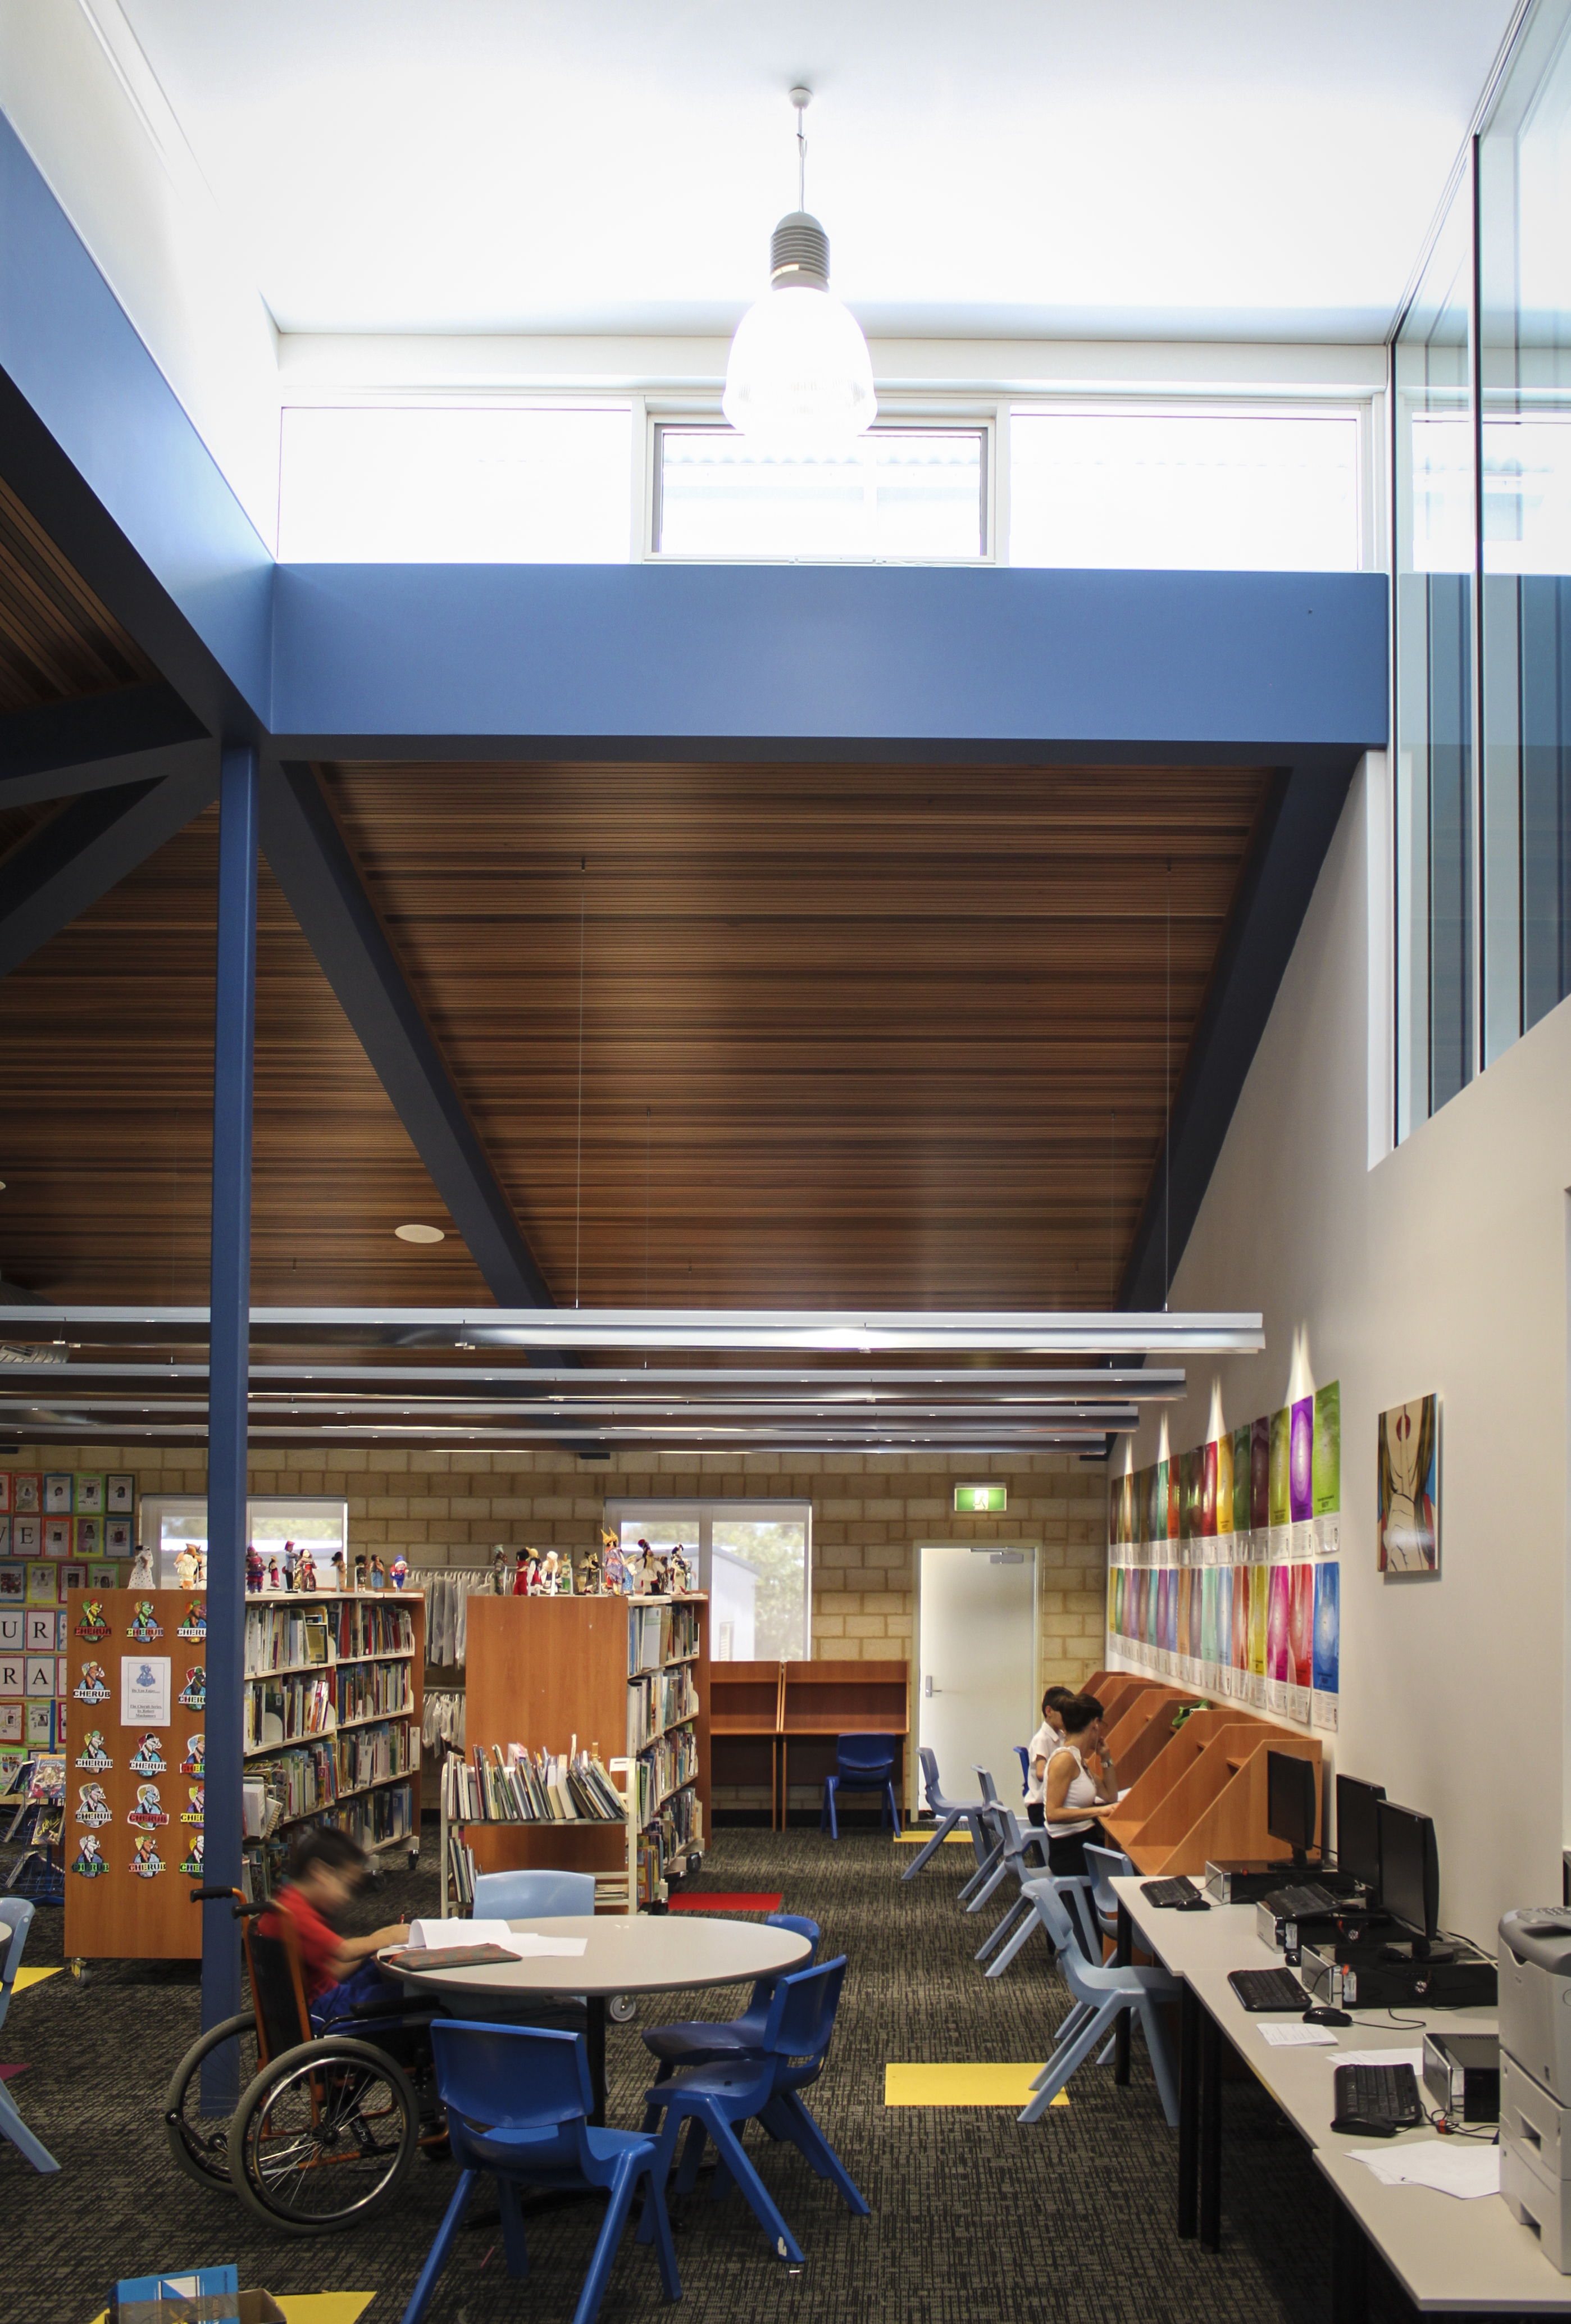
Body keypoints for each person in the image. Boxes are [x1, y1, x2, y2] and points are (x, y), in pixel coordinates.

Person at [257, 1826, 410, 2033]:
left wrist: (370, 1953)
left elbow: (332, 1968)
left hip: (321, 1997)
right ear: (321, 1873)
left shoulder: (287, 1901)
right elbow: (343, 1951)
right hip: (324, 2010)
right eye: (345, 1885)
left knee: (377, 1968)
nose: (346, 1897)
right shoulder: (295, 1914)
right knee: (415, 1996)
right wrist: (387, 1937)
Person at [1041, 1694, 1119, 1876]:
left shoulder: (1078, 1759)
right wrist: (1099, 1811)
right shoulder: (1065, 1760)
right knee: (1132, 1872)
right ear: (1095, 1724)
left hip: (1082, 1844)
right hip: (1070, 1852)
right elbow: (1052, 1814)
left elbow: (1110, 1796)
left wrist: (1106, 1758)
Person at [1024, 1685, 1077, 1827]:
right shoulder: (1042, 1739)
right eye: (1066, 1713)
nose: (1069, 1718)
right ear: (1049, 1711)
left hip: (1049, 1803)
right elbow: (1041, 1773)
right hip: (1039, 1808)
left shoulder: (1061, 1736)